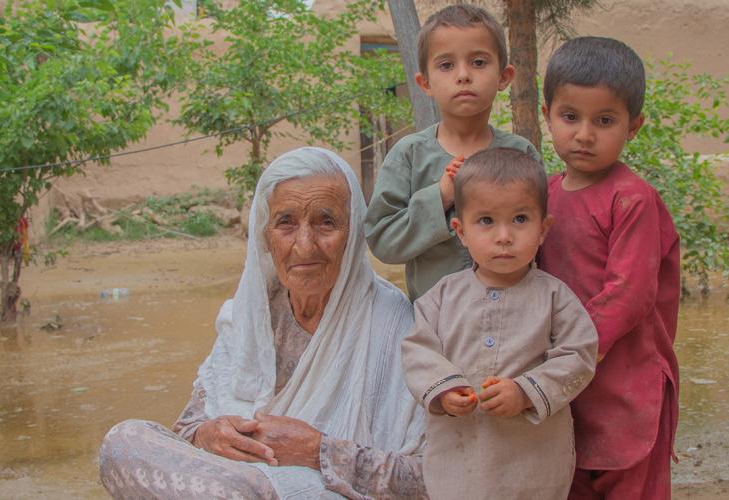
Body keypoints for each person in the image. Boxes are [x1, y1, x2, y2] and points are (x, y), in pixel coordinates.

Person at [98, 148, 428, 499]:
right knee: (123, 441)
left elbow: (430, 477)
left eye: (326, 222)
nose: (304, 246)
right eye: (286, 223)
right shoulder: (250, 314)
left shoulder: (394, 324)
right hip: (227, 485)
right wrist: (210, 434)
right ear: (265, 236)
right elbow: (187, 430)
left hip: (325, 492)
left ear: (354, 234)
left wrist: (319, 451)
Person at [400, 148, 597, 499]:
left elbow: (579, 355)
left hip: (534, 456)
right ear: (460, 230)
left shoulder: (555, 296)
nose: (504, 236)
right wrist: (443, 390)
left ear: (543, 229)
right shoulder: (441, 297)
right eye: (486, 221)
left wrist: (526, 391)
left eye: (520, 219)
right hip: (459, 452)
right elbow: (417, 350)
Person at [536, 37, 682, 500]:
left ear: (633, 126)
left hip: (625, 377)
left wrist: (575, 352)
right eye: (570, 117)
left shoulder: (632, 198)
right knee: (569, 475)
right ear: (547, 116)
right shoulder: (544, 194)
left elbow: (629, 293)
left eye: (604, 121)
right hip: (568, 379)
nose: (583, 134)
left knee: (630, 479)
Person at [366, 3, 540, 300]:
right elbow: (383, 240)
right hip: (435, 330)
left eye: (479, 62)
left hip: (513, 321)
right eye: (446, 65)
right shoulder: (410, 155)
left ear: (504, 77)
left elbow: (540, 236)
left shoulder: (520, 153)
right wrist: (441, 197)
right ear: (425, 83)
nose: (463, 75)